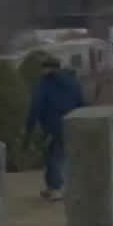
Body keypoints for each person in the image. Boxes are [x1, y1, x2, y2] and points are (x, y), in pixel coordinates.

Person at [26, 57, 86, 200]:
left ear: (46, 68)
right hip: (73, 123)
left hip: (52, 125)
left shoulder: (45, 83)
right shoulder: (73, 82)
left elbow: (36, 106)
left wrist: (29, 127)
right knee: (66, 156)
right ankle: (55, 187)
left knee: (53, 157)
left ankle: (57, 188)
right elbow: (81, 102)